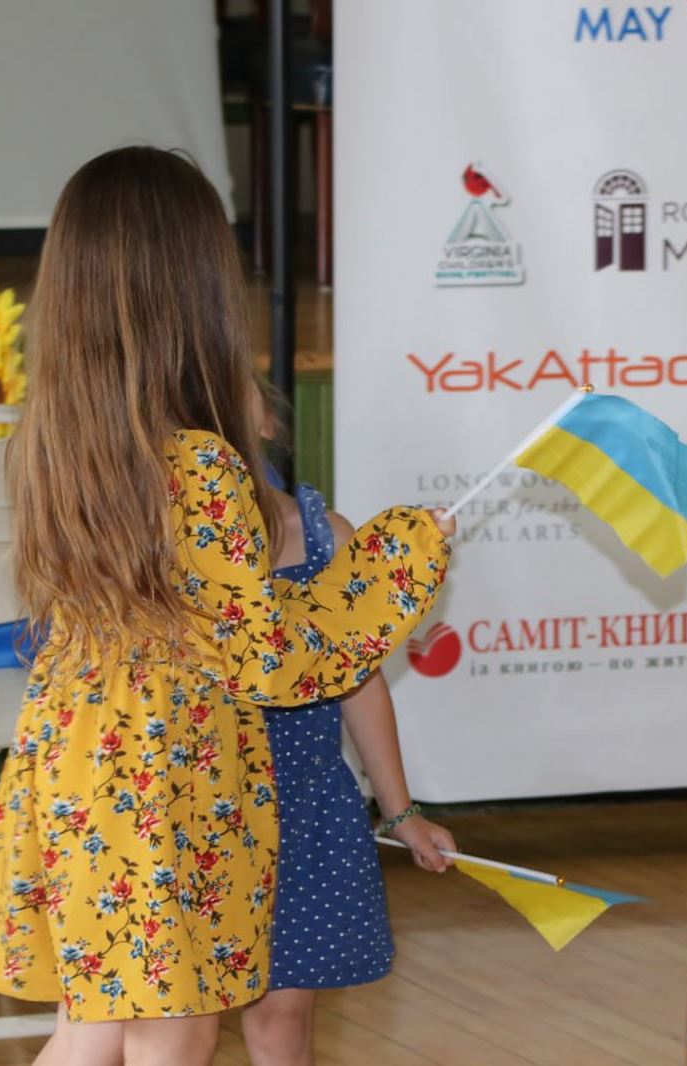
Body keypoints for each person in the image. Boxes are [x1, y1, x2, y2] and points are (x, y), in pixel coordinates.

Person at [0, 146, 454, 1066]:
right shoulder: (203, 468)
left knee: (94, 1025)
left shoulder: (56, 446)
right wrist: (401, 565)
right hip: (177, 780)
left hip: (80, 762)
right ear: (200, 293)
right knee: (174, 1031)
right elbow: (270, 661)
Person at [240, 398, 458, 1066]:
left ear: (267, 421)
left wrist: (401, 811)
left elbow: (359, 678)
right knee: (172, 1021)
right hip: (204, 804)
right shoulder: (165, 544)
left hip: (303, 801)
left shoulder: (325, 535)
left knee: (284, 1010)